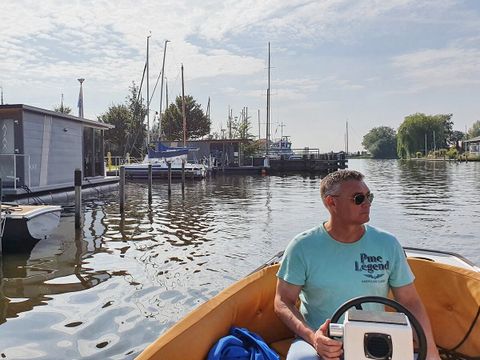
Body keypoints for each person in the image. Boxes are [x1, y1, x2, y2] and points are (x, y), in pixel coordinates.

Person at [274, 169, 440, 360]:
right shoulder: (302, 247)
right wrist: (314, 338)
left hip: (377, 338)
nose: (367, 203)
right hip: (321, 339)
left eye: (369, 197)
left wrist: (431, 352)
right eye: (359, 198)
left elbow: (410, 302)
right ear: (331, 202)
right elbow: (282, 301)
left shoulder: (387, 244)